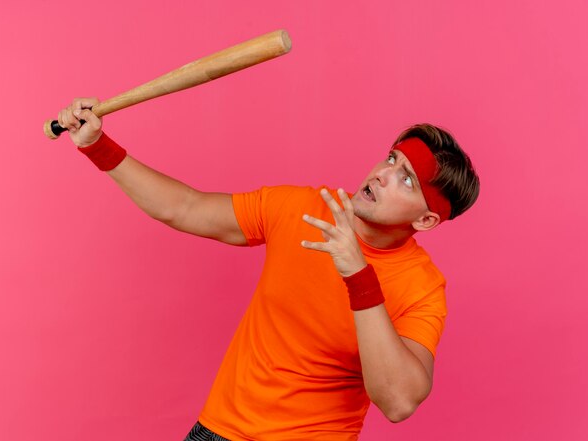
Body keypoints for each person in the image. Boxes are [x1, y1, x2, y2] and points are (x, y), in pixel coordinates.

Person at [57, 97, 480, 441]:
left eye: (407, 180)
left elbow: (399, 401)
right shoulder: (299, 207)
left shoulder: (422, 287)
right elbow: (183, 207)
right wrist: (98, 146)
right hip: (219, 431)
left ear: (425, 221)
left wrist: (358, 274)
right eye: (391, 158)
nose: (384, 174)